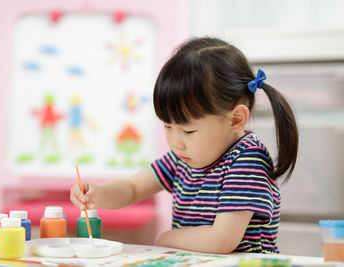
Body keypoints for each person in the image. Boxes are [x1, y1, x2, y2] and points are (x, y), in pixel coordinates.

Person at [70, 37, 298, 254]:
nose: (176, 142)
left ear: (236, 119)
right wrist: (99, 194)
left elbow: (221, 240)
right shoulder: (183, 157)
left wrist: (167, 239)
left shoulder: (247, 160)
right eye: (167, 126)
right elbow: (133, 188)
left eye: (188, 130)